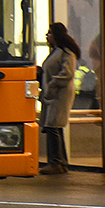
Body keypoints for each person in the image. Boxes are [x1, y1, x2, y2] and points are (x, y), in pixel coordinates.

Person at [39, 22, 79, 175]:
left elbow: (66, 73)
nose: (47, 36)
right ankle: (60, 162)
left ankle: (56, 162)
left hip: (60, 94)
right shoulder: (56, 52)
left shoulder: (66, 52)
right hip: (53, 94)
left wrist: (52, 85)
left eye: (49, 33)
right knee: (54, 127)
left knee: (53, 126)